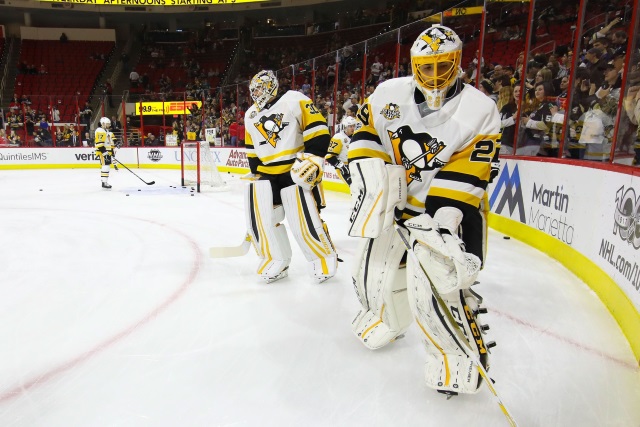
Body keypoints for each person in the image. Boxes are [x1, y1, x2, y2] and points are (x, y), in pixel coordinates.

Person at [346, 25, 500, 396]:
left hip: (451, 212)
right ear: (414, 65)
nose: (434, 74)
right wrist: (370, 175)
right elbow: (367, 133)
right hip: (398, 208)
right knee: (371, 275)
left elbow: (470, 171)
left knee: (437, 287)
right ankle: (387, 318)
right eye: (426, 67)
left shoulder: (481, 109)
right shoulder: (388, 94)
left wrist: (443, 223)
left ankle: (458, 358)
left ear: (457, 61)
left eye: (442, 65)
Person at [243, 69, 338, 284]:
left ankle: (321, 258)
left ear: (271, 86)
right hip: (268, 174)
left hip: (294, 170)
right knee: (265, 220)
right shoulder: (250, 114)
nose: (257, 92)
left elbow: (318, 128)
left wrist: (313, 158)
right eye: (254, 89)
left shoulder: (294, 99)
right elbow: (251, 147)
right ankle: (275, 259)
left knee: (303, 218)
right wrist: (255, 170)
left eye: (260, 87)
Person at [325, 116, 356, 185]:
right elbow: (329, 156)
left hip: (355, 167)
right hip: (344, 169)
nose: (352, 128)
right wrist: (341, 166)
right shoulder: (338, 137)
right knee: (354, 188)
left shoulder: (356, 137)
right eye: (350, 126)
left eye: (353, 126)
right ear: (345, 126)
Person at [95, 117, 115, 189]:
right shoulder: (100, 130)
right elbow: (99, 144)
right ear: (103, 123)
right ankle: (104, 182)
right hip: (103, 152)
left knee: (107, 166)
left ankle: (105, 181)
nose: (109, 125)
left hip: (106, 151)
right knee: (105, 166)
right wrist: (105, 153)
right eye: (107, 124)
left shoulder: (105, 130)